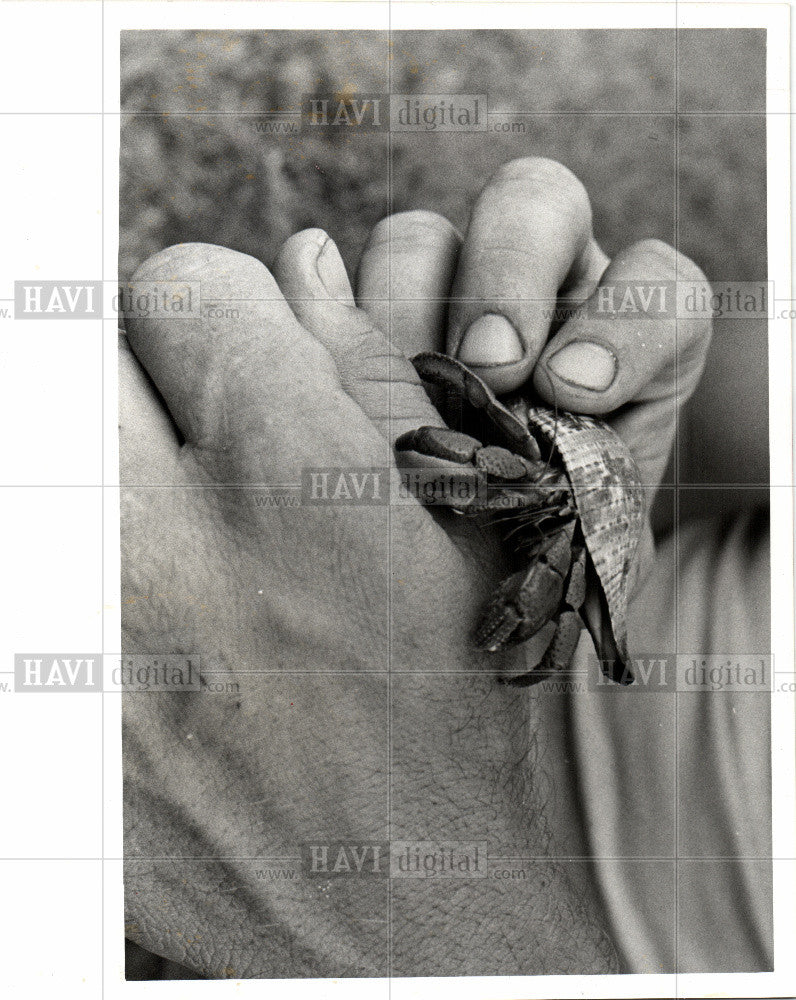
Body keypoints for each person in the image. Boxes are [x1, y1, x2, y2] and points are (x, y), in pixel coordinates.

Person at [120, 157, 771, 978]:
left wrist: (423, 836)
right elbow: (693, 444)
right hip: (522, 530)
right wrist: (577, 388)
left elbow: (554, 603)